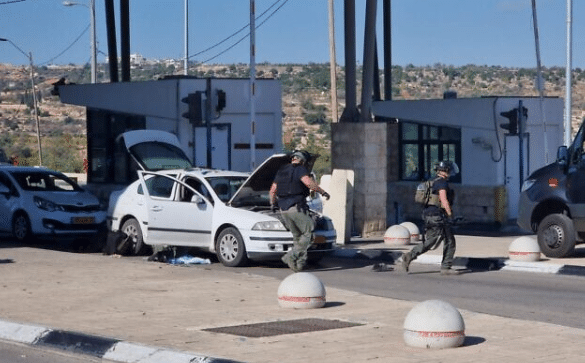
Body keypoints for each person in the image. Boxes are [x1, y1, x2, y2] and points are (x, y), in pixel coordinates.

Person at [269, 150, 330, 272]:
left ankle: (298, 265)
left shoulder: (282, 170)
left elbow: (272, 190)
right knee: (309, 234)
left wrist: (273, 204)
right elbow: (309, 184)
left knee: (298, 237)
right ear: (302, 160)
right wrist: (322, 192)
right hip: (296, 207)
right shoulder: (300, 169)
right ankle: (290, 256)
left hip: (283, 210)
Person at [402, 160, 460, 275]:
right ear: (446, 171)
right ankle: (445, 267)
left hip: (430, 215)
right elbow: (443, 199)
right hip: (438, 216)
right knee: (444, 241)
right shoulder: (442, 183)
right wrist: (450, 214)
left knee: (439, 240)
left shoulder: (433, 181)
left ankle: (411, 256)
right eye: (449, 170)